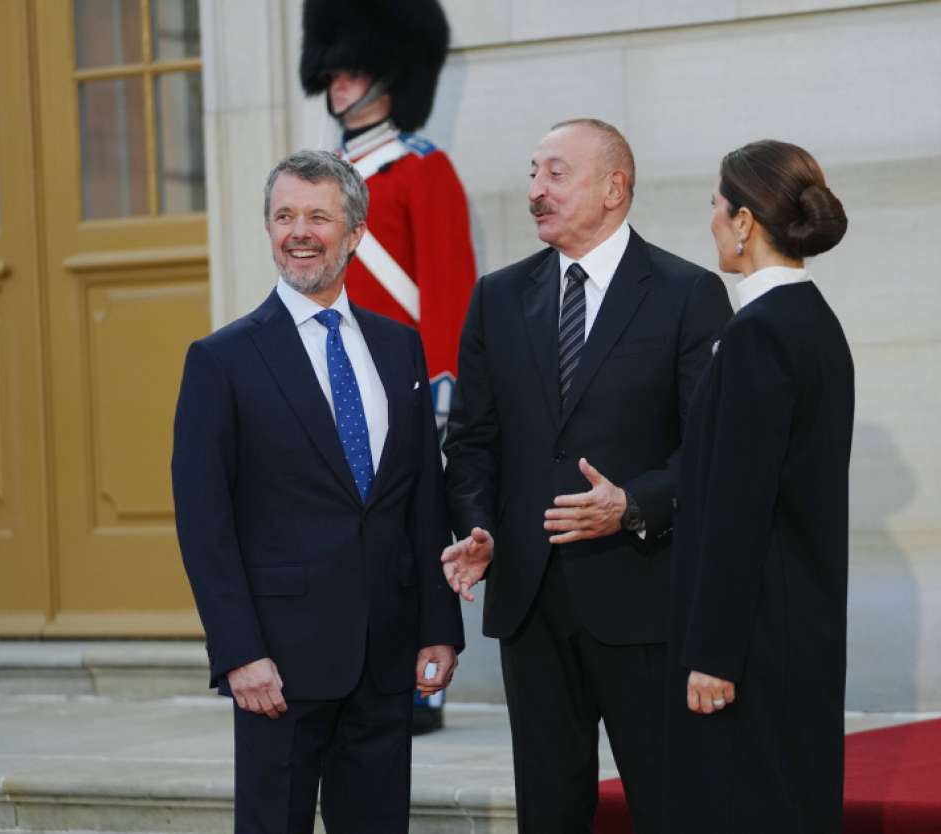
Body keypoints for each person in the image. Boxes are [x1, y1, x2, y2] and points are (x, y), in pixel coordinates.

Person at [440, 118, 732, 834]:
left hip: (645, 600)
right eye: (532, 173)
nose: (535, 191)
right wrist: (477, 527)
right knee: (549, 813)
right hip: (531, 606)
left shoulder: (687, 293)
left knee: (673, 808)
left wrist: (632, 503)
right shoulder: (497, 297)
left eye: (555, 173)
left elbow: (713, 451)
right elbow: (472, 441)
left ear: (613, 187)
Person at [171, 149, 464, 834]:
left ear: (355, 232)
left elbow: (422, 499)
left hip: (385, 660)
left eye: (317, 217)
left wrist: (438, 628)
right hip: (278, 668)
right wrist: (239, 652)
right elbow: (205, 525)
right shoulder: (221, 361)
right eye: (284, 217)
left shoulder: (400, 348)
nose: (298, 232)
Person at [664, 139, 853, 834]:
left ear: (744, 221)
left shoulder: (759, 334)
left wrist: (712, 654)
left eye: (716, 205)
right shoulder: (812, 320)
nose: (711, 220)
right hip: (794, 628)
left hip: (754, 643)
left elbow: (737, 506)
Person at [300, 0, 477, 732]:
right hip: (330, 378)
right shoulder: (320, 179)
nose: (338, 83)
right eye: (333, 71)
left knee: (415, 535)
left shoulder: (422, 169)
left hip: (402, 383)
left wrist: (442, 389)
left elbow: (449, 286)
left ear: (389, 75)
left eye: (354, 69)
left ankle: (423, 683)